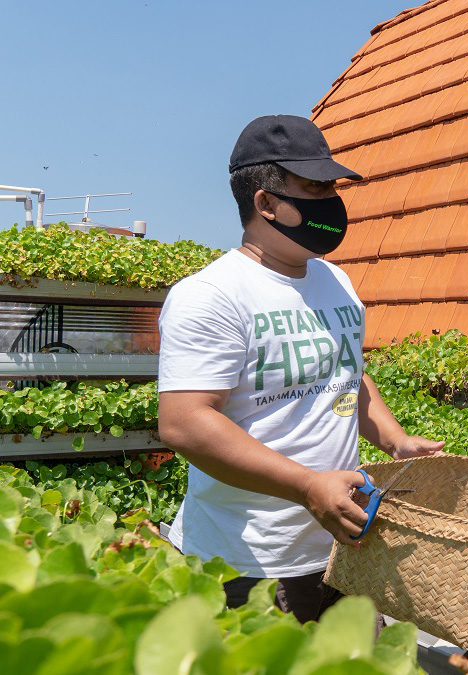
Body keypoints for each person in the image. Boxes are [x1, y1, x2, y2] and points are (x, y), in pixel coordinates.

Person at [157, 114, 445, 623]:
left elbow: (344, 370)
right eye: (313, 187)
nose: (331, 202)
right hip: (249, 561)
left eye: (331, 186)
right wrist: (308, 487)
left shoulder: (335, 280)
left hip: (343, 543)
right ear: (265, 202)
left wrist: (394, 439)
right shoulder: (211, 296)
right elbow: (185, 422)